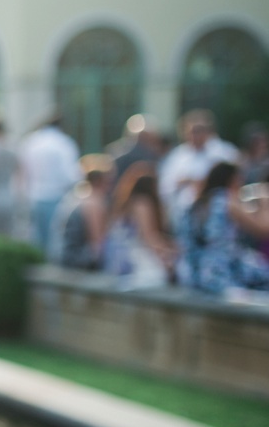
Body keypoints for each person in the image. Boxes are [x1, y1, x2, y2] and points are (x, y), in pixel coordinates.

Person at [179, 161, 269, 294]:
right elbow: (264, 229)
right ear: (232, 180)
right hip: (220, 274)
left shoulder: (198, 202)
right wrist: (265, 201)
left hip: (192, 273)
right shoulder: (226, 200)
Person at [159, 109, 239, 227]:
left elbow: (236, 182)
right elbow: (165, 187)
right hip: (183, 218)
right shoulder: (176, 157)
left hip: (220, 216)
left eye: (200, 130)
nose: (196, 135)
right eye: (192, 131)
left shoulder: (225, 153)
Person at [103, 162, 178, 288]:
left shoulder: (124, 204)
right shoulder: (142, 203)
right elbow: (149, 237)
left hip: (115, 259)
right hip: (132, 260)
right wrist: (173, 250)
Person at [18, 115, 81, 255]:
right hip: (56, 197)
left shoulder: (31, 141)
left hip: (34, 196)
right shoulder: (63, 143)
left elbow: (22, 173)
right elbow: (71, 175)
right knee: (55, 242)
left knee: (37, 241)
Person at [49, 157, 112, 270]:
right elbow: (97, 242)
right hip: (74, 261)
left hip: (61, 255)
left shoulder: (78, 196)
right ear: (101, 181)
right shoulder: (94, 202)